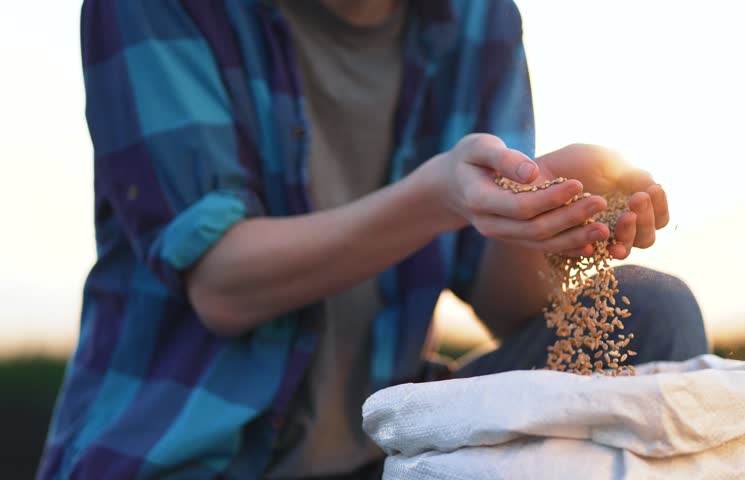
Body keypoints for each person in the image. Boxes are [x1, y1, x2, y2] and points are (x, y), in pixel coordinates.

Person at [38, 0, 708, 478]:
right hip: (192, 454)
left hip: (391, 452)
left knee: (654, 311)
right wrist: (437, 196)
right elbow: (222, 284)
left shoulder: (479, 17)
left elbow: (503, 302)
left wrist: (556, 216)